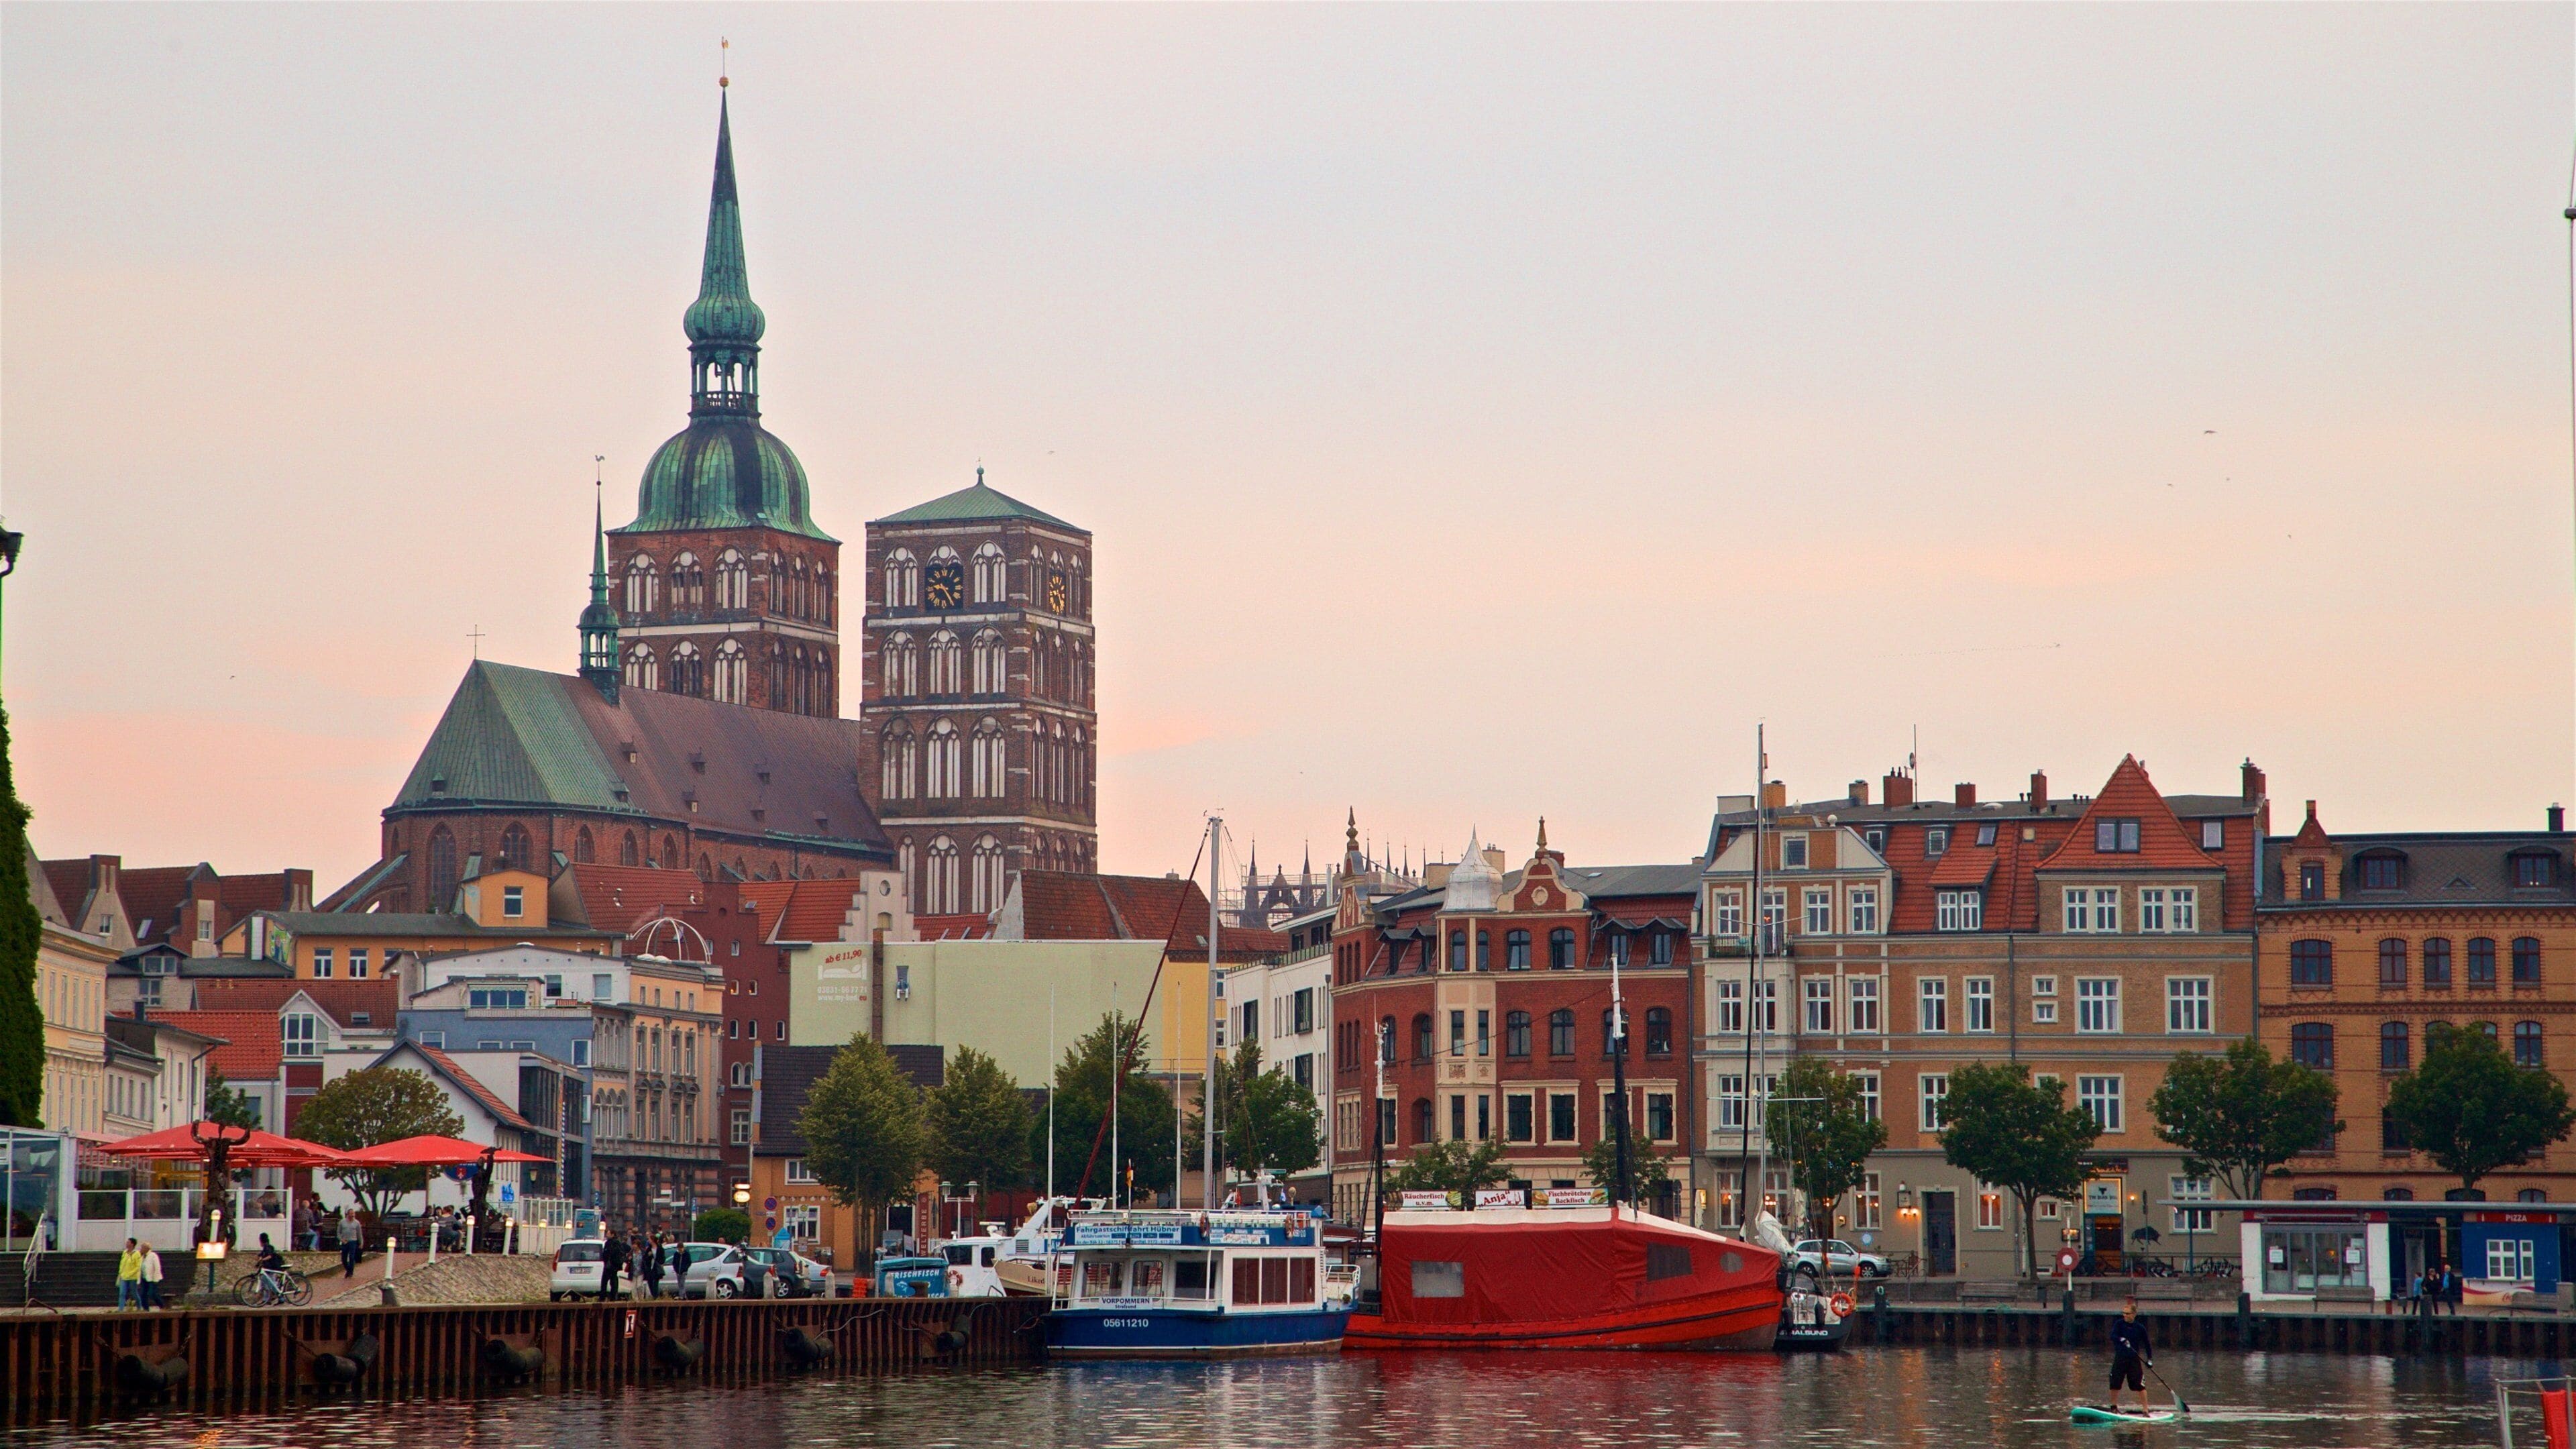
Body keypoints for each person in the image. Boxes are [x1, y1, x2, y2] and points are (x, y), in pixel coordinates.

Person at [2107, 1297, 2154, 1415]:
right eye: (2123, 1313)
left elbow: (2147, 1344)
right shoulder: (2119, 1324)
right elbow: (2112, 1336)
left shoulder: (2140, 1328)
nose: (2125, 1316)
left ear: (2134, 1314)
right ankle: (2113, 1407)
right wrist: (2121, 1339)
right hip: (2120, 1358)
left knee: (2139, 1385)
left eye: (2127, 1314)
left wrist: (2149, 1360)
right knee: (2115, 1382)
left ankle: (2145, 1409)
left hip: (2134, 1359)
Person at [115, 1238, 144, 1311]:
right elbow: (122, 1264)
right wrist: (120, 1273)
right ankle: (120, 1309)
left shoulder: (137, 1254)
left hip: (132, 1277)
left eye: (128, 1242)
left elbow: (138, 1266)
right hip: (123, 1277)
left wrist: (131, 1273)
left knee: (134, 1293)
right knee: (122, 1293)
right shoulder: (125, 1252)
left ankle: (139, 1307)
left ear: (132, 1244)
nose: (126, 1243)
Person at [600, 1229, 627, 1301]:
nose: (607, 1235)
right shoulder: (609, 1243)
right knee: (609, 1281)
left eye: (608, 1234)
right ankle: (609, 1297)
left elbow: (615, 1254)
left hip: (612, 1265)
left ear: (613, 1235)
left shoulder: (614, 1243)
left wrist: (613, 1261)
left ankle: (608, 1297)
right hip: (610, 1265)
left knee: (609, 1281)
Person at [139, 1242, 166, 1309]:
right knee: (143, 1294)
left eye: (142, 1248)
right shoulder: (142, 1257)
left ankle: (162, 1306)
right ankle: (146, 1309)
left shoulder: (153, 1255)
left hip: (153, 1279)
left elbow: (157, 1268)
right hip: (145, 1278)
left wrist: (156, 1279)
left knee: (152, 1293)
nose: (141, 1249)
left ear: (146, 1249)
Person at [640, 1232, 666, 1299]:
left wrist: (660, 1263)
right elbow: (645, 1258)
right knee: (650, 1282)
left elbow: (662, 1258)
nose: (648, 1241)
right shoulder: (649, 1249)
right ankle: (653, 1294)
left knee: (656, 1282)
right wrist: (648, 1255)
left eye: (649, 1239)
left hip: (656, 1268)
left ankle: (656, 1296)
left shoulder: (660, 1248)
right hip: (650, 1268)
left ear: (653, 1240)